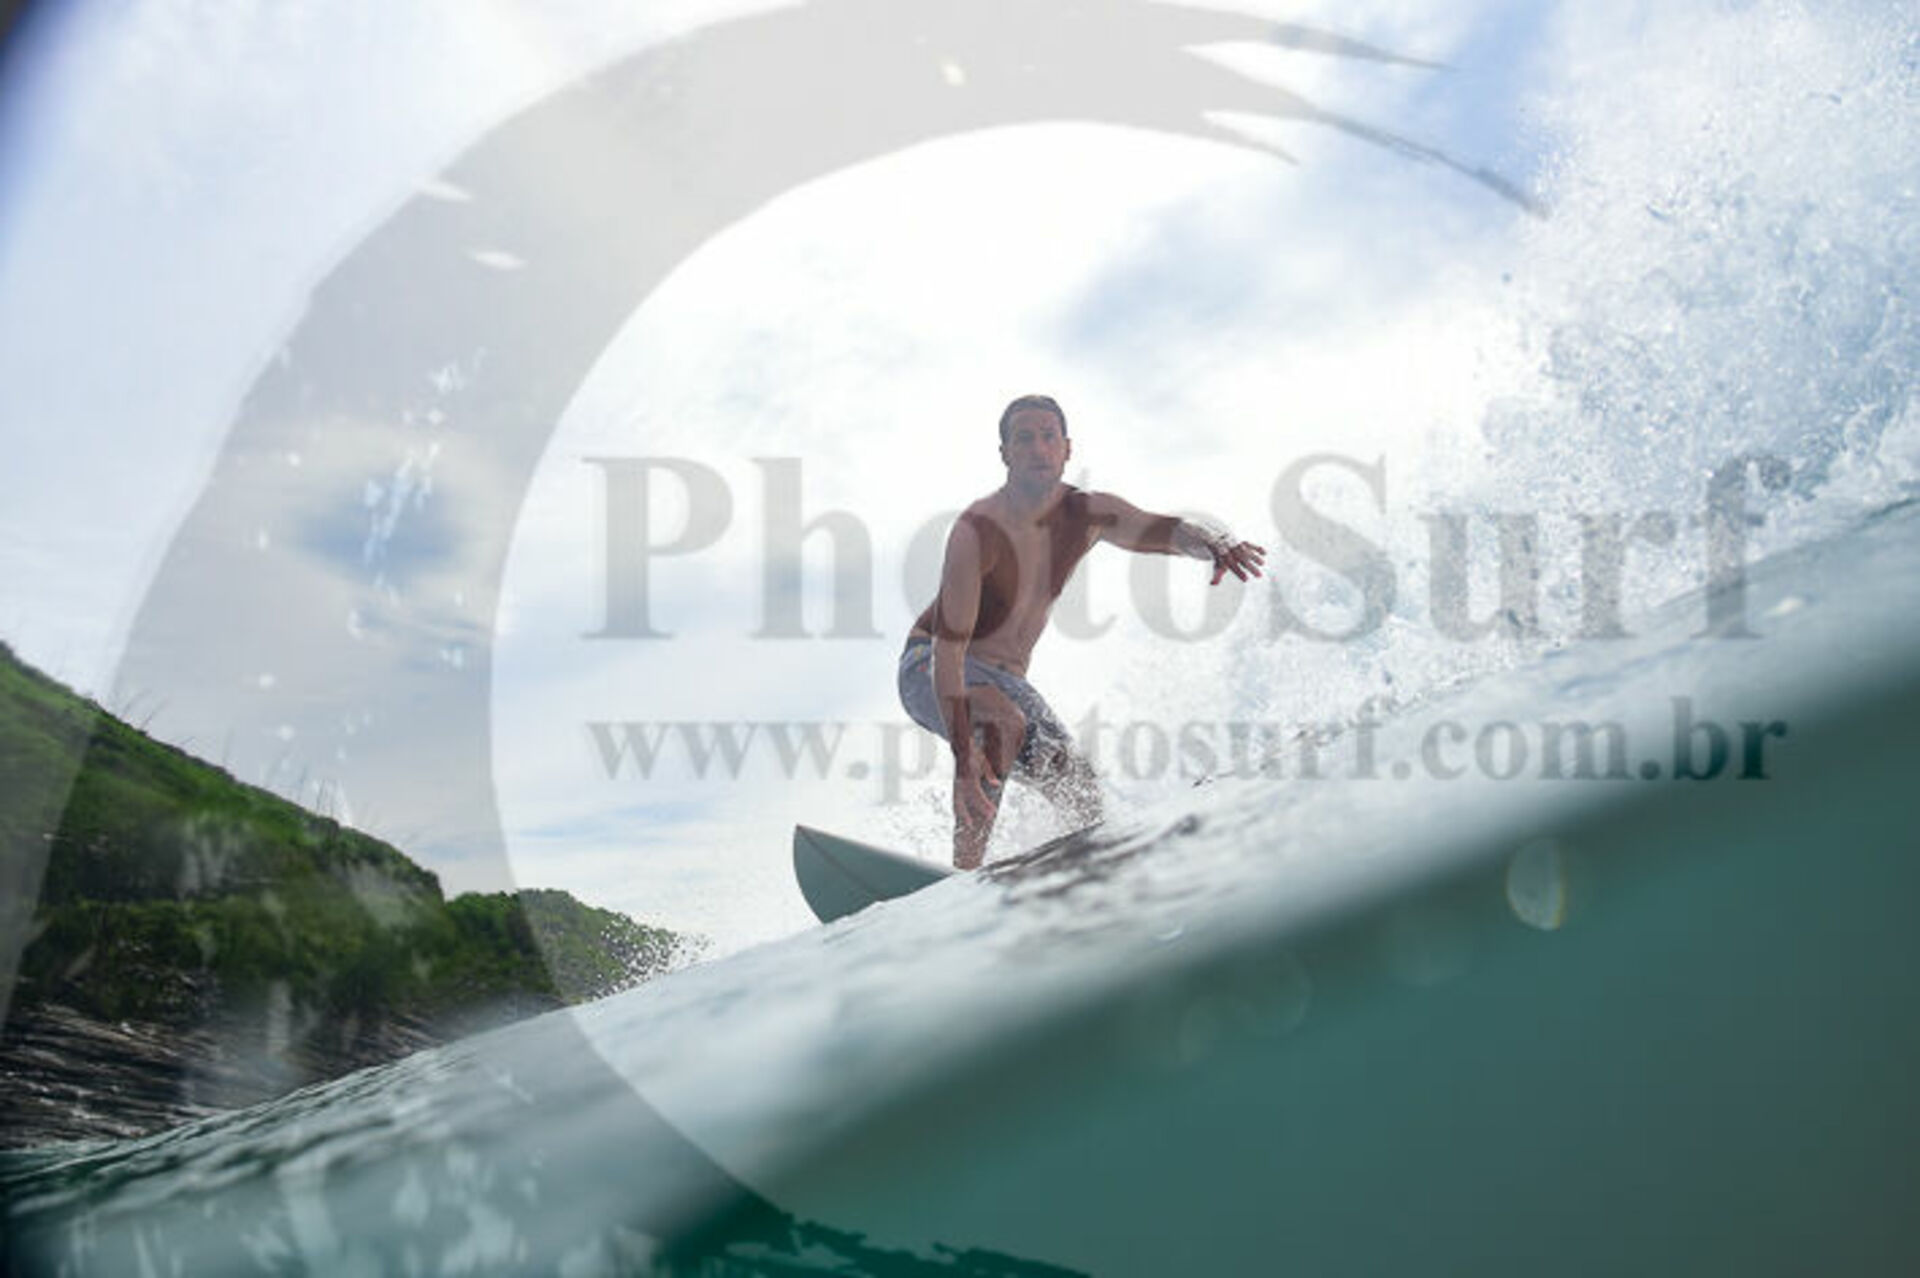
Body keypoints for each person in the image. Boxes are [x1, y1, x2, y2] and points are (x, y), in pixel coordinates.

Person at [899, 394, 1266, 868]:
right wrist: (964, 755)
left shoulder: (1088, 515)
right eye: (1024, 439)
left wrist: (1215, 543)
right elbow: (950, 650)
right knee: (1000, 722)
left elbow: (1166, 532)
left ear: (1067, 448)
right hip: (930, 666)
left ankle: (1083, 879)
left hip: (1006, 681)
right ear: (1005, 453)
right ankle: (962, 877)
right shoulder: (979, 529)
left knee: (1080, 790)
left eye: (1048, 437)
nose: (1038, 448)